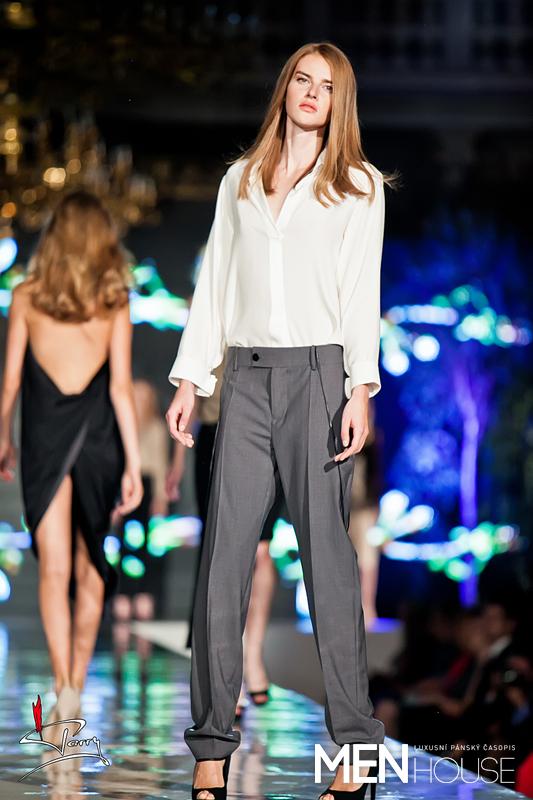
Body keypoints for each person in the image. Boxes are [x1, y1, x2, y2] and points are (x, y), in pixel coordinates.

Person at [166, 41, 398, 800]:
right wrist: (190, 377)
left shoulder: (358, 186)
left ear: (339, 102)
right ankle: (210, 750)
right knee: (222, 565)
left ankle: (356, 753)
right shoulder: (239, 179)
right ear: (285, 89)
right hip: (244, 379)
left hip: (319, 379)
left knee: (327, 564)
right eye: (302, 79)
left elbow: (360, 293)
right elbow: (215, 284)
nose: (310, 93)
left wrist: (360, 387)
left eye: (325, 86)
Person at [0, 190, 143, 720]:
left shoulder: (26, 296)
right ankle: (75, 684)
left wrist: (4, 437)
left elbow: (11, 382)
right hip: (99, 441)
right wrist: (133, 464)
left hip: (44, 440)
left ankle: (63, 683)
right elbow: (121, 388)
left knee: (54, 567)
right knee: (90, 566)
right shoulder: (114, 301)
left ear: (55, 237)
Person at [167, 346, 283, 715]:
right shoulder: (212, 316)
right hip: (216, 434)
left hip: (271, 433)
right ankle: (224, 669)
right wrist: (176, 463)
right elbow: (192, 382)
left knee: (261, 549)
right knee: (223, 550)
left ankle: (252, 654)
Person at [112, 378, 170, 622]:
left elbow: (160, 465)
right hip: (126, 484)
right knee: (124, 544)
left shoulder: (156, 428)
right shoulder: (123, 427)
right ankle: (124, 593)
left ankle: (145, 593)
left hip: (147, 486)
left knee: (148, 544)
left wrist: (161, 498)